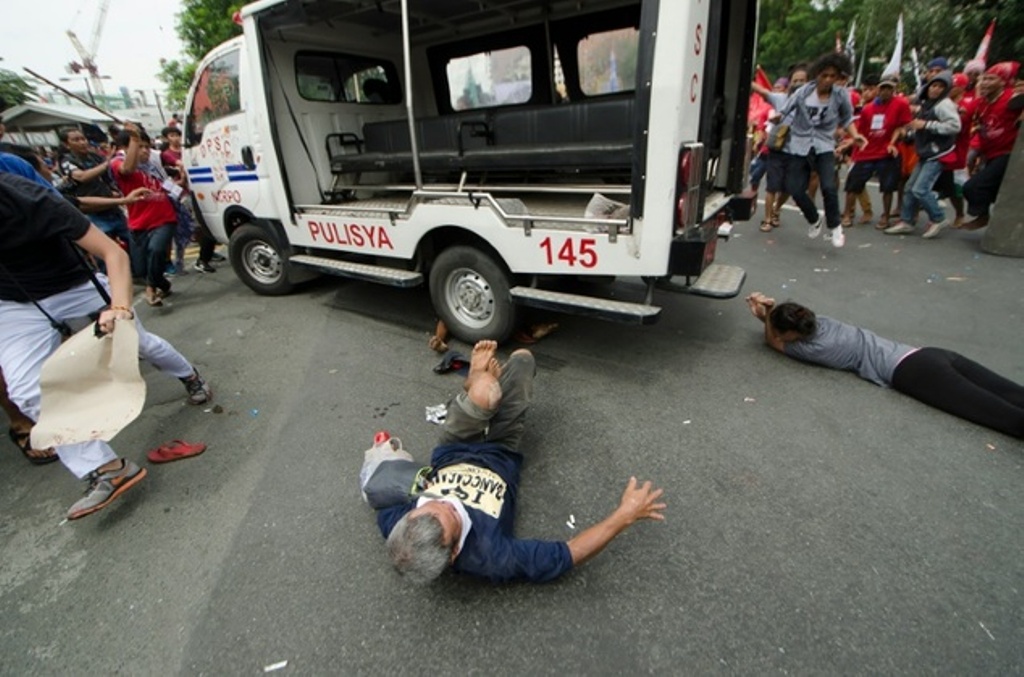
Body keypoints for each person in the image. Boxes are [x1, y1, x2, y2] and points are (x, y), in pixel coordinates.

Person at [0, 172, 213, 519]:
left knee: (138, 344)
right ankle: (107, 468)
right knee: (26, 389)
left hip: (73, 286)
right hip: (13, 304)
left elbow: (112, 253)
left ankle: (191, 376)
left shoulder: (27, 197)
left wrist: (118, 308)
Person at [365, 340, 665, 584]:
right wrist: (624, 516)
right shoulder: (491, 556)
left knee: (485, 393)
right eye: (449, 515)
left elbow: (379, 484)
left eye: (432, 503)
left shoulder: (396, 522)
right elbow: (568, 555)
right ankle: (481, 387)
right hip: (501, 448)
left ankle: (474, 384)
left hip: (456, 444)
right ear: (455, 551)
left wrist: (384, 452)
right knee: (523, 359)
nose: (448, 502)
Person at [745, 292, 1024, 439]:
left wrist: (767, 312)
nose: (780, 336)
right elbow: (782, 334)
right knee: (1012, 394)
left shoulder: (818, 348)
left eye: (783, 332)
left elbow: (775, 343)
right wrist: (769, 313)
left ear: (794, 334)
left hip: (913, 372)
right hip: (932, 355)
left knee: (1004, 418)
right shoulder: (821, 322)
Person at [759, 52, 866, 248]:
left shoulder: (840, 95)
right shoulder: (803, 92)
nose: (827, 80)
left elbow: (847, 119)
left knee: (828, 186)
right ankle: (814, 218)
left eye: (832, 76)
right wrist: (776, 118)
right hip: (799, 145)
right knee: (794, 189)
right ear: (816, 74)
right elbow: (785, 111)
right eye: (824, 75)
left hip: (824, 144)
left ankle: (835, 226)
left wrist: (855, 135)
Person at [884, 70, 960, 239]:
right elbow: (919, 127)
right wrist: (911, 133)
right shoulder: (927, 104)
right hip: (925, 152)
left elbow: (955, 126)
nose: (936, 89)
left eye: (941, 86)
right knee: (910, 188)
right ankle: (907, 221)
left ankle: (938, 218)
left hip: (937, 153)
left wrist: (927, 125)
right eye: (934, 85)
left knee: (920, 189)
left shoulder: (944, 105)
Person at [110, 124, 178, 306]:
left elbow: (168, 185)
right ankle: (162, 284)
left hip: (164, 217)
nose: (145, 151)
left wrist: (182, 192)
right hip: (138, 222)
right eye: (140, 147)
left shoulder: (153, 165)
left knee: (156, 250)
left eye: (147, 147)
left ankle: (151, 289)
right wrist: (134, 139)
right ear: (126, 148)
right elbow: (127, 169)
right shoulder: (117, 164)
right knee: (140, 268)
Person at [839, 74, 911, 230]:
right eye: (883, 88)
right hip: (867, 151)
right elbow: (860, 132)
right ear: (879, 89)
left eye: (889, 88)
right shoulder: (868, 109)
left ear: (894, 90)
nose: (885, 92)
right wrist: (849, 144)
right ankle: (846, 214)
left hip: (886, 152)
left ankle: (885, 216)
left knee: (888, 187)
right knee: (853, 184)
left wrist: (893, 142)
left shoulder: (901, 104)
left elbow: (901, 126)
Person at [958, 61, 1024, 230]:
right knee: (996, 191)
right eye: (984, 79)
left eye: (991, 79)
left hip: (1008, 154)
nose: (985, 82)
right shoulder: (981, 103)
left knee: (973, 187)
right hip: (989, 154)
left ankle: (983, 216)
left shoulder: (1012, 98)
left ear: (1003, 82)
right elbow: (962, 115)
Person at [57, 128, 131, 246]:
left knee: (134, 243)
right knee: (105, 251)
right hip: (93, 213)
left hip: (112, 208)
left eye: (83, 139)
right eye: (76, 140)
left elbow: (109, 176)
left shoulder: (94, 157)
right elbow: (82, 177)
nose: (82, 142)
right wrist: (107, 163)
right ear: (67, 144)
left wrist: (113, 189)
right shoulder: (66, 161)